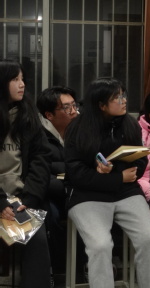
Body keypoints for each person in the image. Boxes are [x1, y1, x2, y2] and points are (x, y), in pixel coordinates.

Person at [64, 77, 150, 288]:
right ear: (101, 105)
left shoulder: (130, 124)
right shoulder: (77, 129)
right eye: (117, 97)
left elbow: (141, 160)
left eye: (123, 95)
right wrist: (114, 176)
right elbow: (76, 173)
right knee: (100, 246)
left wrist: (121, 173)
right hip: (87, 195)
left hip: (126, 191)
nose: (123, 100)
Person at [0, 59, 53, 288]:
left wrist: (28, 199)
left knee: (36, 239)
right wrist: (1, 202)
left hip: (21, 200)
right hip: (1, 200)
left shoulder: (29, 117)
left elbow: (41, 161)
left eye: (22, 79)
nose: (22, 84)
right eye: (15, 79)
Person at [36, 86, 79, 277]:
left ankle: (83, 266)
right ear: (49, 115)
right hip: (51, 193)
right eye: (67, 107)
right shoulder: (38, 136)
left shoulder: (79, 131)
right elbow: (40, 175)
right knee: (50, 214)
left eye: (75, 105)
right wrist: (68, 184)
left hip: (75, 190)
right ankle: (54, 269)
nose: (74, 111)